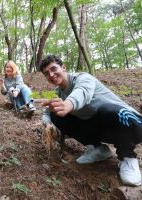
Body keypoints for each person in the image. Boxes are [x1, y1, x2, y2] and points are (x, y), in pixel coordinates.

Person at [39, 55, 142, 186]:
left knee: (107, 109)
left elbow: (82, 92)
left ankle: (128, 157)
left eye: (54, 69)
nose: (51, 74)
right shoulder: (57, 93)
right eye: (47, 73)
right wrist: (47, 124)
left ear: (63, 68)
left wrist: (68, 105)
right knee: (56, 114)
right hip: (105, 128)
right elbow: (47, 112)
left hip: (131, 124)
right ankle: (98, 149)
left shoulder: (83, 78)